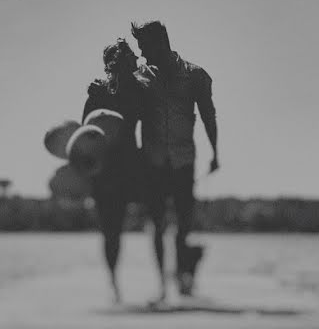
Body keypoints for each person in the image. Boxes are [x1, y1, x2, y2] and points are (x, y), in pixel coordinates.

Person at [131, 20, 219, 301]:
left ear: (161, 43)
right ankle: (161, 286)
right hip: (152, 161)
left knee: (183, 224)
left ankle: (183, 276)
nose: (142, 54)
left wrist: (216, 153)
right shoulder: (139, 77)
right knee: (157, 224)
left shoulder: (196, 76)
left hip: (184, 160)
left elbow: (208, 116)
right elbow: (126, 113)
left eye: (145, 47)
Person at [82, 38, 147, 304]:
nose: (137, 61)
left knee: (142, 218)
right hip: (105, 169)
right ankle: (113, 281)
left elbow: (154, 124)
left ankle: (170, 276)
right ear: (117, 64)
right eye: (132, 58)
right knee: (112, 229)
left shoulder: (140, 92)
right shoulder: (97, 94)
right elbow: (84, 134)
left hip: (131, 165)